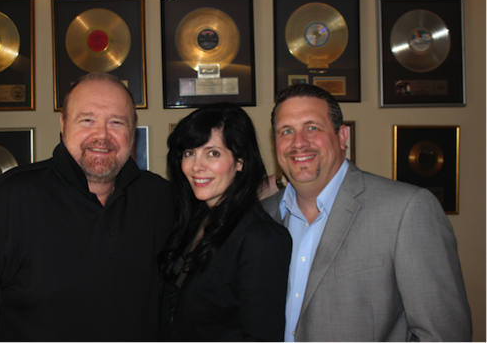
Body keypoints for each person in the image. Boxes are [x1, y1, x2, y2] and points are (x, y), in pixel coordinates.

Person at [0, 73, 173, 342]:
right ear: (63, 124)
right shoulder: (10, 199)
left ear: (132, 130)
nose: (102, 135)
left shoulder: (159, 197)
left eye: (116, 122)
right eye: (87, 120)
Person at [262, 83, 472, 342]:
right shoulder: (263, 216)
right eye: (286, 131)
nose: (298, 143)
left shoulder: (406, 209)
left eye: (312, 127)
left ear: (341, 137)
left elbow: (444, 335)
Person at [159, 103, 292, 342]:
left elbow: (262, 336)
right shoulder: (193, 219)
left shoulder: (261, 238)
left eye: (213, 153)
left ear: (240, 161)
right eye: (190, 152)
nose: (196, 166)